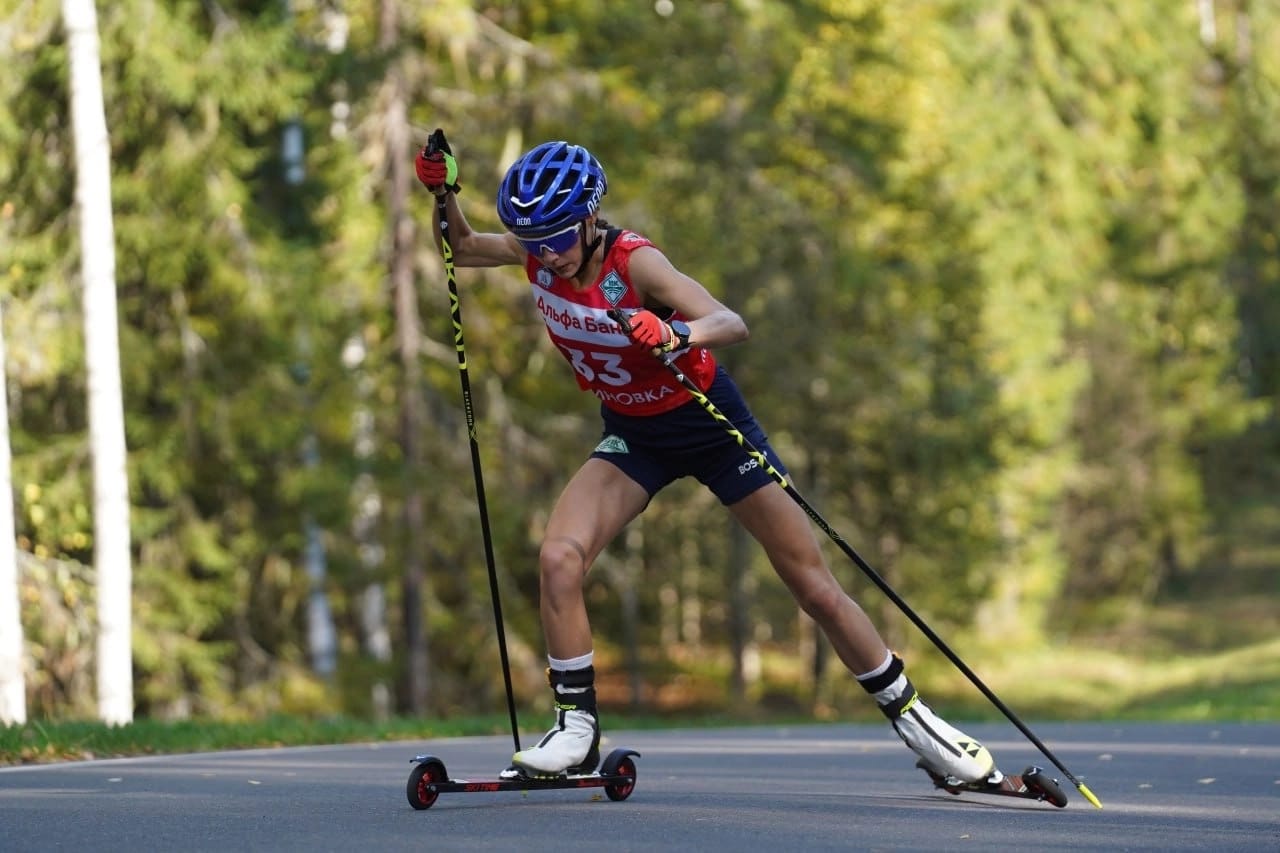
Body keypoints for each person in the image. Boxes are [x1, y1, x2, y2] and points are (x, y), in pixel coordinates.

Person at [414, 133, 1009, 788]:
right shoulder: (538, 256)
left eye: (556, 237)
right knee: (558, 557)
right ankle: (576, 729)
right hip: (635, 436)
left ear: (588, 218)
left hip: (710, 427)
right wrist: (444, 193)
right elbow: (463, 247)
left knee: (813, 585)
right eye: (532, 241)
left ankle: (923, 727)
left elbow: (730, 321)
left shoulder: (635, 264)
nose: (545, 254)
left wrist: (675, 331)